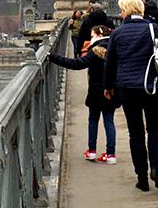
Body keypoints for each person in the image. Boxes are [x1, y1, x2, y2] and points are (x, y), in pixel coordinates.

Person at [104, 0, 158, 192]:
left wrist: (108, 87)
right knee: (154, 129)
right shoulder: (154, 28)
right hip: (151, 87)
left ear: (127, 10)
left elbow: (110, 64)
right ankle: (156, 168)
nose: (120, 12)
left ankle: (142, 178)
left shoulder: (117, 33)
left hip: (127, 89)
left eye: (121, 9)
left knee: (135, 133)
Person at [49, 25, 117, 164]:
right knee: (109, 121)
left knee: (93, 120)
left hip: (96, 91)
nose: (90, 39)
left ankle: (91, 151)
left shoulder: (96, 50)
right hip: (111, 90)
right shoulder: (116, 47)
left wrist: (53, 57)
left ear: (99, 34)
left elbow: (77, 64)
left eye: (92, 36)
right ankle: (111, 155)